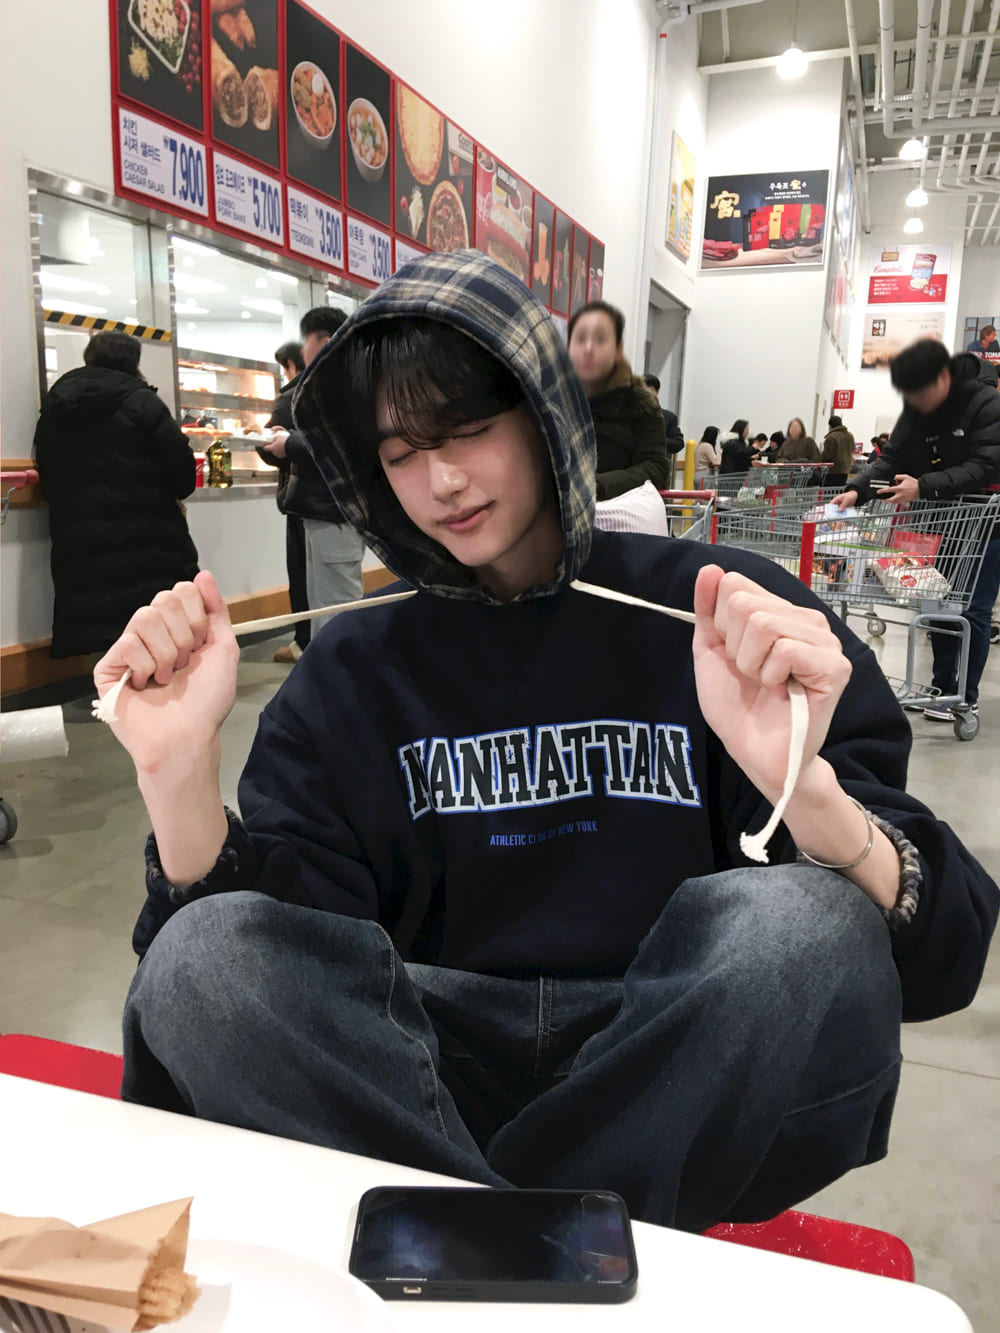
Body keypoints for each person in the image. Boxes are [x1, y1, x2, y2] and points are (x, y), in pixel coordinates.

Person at [98, 252, 997, 1237]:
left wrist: (803, 786)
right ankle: (559, 1244)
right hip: (421, 1064)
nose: (441, 481)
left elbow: (939, 955)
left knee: (806, 926)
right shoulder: (350, 667)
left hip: (667, 1056)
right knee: (200, 959)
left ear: (546, 413)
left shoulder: (720, 614)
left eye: (468, 429)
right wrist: (176, 774)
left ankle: (472, 1242)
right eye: (400, 451)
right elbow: (276, 945)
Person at [832, 340, 1000, 722]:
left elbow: (987, 465)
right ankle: (942, 688)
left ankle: (966, 696)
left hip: (988, 524)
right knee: (937, 602)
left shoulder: (987, 404)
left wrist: (923, 486)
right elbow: (891, 458)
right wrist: (857, 491)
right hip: (941, 521)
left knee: (973, 609)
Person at [33, 330, 198, 659]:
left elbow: (46, 468)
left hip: (79, 537)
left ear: (89, 357)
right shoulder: (143, 403)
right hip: (148, 538)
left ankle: (108, 685)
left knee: (104, 628)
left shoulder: (56, 405)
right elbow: (182, 476)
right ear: (134, 361)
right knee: (152, 628)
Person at [262, 308, 365, 632]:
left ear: (325, 341)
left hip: (335, 509)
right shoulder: (341, 380)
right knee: (325, 605)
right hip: (327, 510)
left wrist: (290, 443)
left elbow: (339, 444)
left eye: (306, 341)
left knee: (337, 608)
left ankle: (343, 664)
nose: (303, 350)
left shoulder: (343, 384)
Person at [568, 301, 671, 499]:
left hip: (617, 510)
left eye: (600, 339)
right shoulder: (554, 400)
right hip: (560, 512)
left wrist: (597, 486)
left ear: (617, 349)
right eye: (580, 339)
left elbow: (656, 468)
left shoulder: (641, 404)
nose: (588, 349)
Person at [257, 342, 310, 664]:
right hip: (334, 506)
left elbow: (272, 449)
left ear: (290, 364)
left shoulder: (293, 395)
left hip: (306, 501)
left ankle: (305, 643)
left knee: (305, 578)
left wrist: (271, 443)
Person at [642, 373, 686, 457]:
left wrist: (656, 440)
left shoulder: (668, 417)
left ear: (657, 392)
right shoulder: (629, 415)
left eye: (650, 391)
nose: (646, 395)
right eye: (642, 391)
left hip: (657, 462)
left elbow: (678, 443)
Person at [821, 415, 856, 486]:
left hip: (833, 470)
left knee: (829, 490)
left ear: (830, 425)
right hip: (845, 469)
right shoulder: (850, 436)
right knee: (839, 490)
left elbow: (827, 455)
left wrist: (819, 461)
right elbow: (853, 449)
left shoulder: (831, 437)